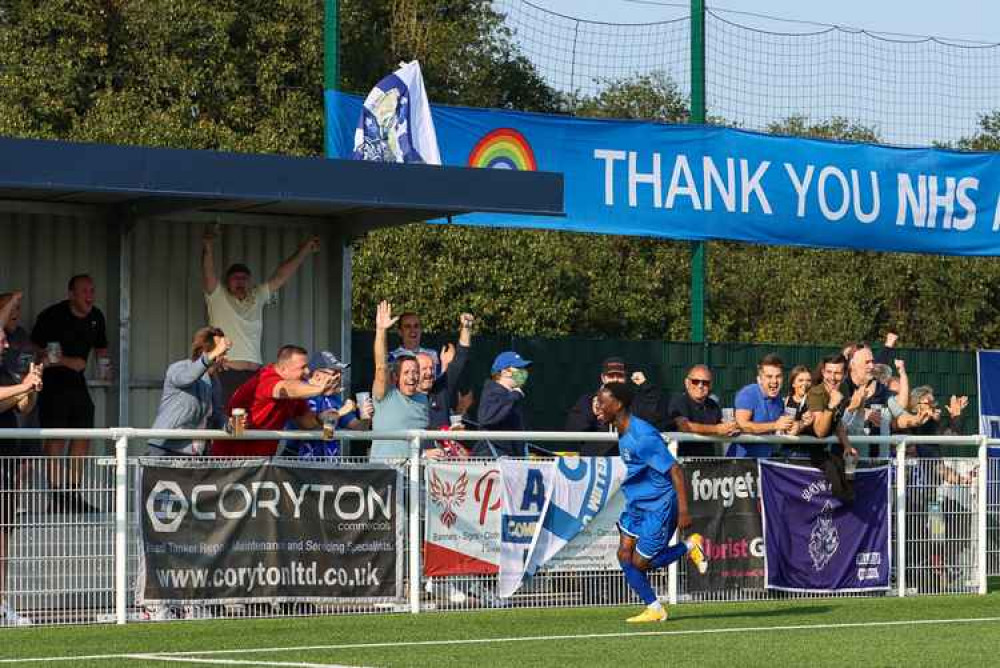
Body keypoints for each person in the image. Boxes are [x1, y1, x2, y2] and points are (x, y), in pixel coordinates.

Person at [595, 382, 707, 623]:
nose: (599, 407)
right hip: (637, 502)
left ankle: (690, 546)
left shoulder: (642, 436)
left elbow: (675, 469)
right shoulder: (621, 428)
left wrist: (684, 511)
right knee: (624, 555)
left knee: (641, 562)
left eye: (603, 402)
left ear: (619, 404)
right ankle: (655, 608)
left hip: (660, 505)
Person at [202, 227, 321, 406]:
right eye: (235, 279)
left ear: (250, 282)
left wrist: (304, 250)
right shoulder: (218, 297)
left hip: (255, 374)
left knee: (255, 420)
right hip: (227, 373)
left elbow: (281, 276)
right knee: (226, 420)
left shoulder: (256, 296)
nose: (240, 282)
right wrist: (208, 246)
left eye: (244, 278)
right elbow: (208, 274)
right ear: (227, 282)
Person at [30, 275, 109, 513]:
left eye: (92, 290)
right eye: (84, 291)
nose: (90, 296)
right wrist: (69, 361)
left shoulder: (96, 317)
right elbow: (37, 352)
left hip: (77, 383)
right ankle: (56, 496)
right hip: (51, 385)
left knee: (83, 435)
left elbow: (101, 349)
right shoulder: (52, 316)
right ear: (71, 295)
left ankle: (73, 494)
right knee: (56, 438)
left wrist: (105, 367)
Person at [213, 345, 334, 457]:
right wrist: (319, 388)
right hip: (231, 460)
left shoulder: (296, 390)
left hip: (262, 463)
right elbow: (285, 389)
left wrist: (321, 418)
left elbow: (306, 422)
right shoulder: (267, 378)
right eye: (302, 367)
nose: (307, 372)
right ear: (283, 369)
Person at [0, 312, 42, 626]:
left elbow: (21, 405)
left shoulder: (5, 369)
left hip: (5, 464)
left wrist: (32, 386)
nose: (5, 343)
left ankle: (1, 604)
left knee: (2, 535)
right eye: (0, 338)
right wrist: (22, 387)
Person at [146, 327, 231, 457]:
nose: (225, 357)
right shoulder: (179, 368)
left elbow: (216, 415)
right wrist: (211, 356)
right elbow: (186, 379)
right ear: (205, 351)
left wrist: (229, 424)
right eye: (222, 352)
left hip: (196, 454)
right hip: (165, 450)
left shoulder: (215, 382)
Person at [564, 357, 669, 455]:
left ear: (625, 378)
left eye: (619, 376)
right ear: (603, 378)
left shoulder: (634, 400)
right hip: (596, 464)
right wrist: (591, 413)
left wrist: (646, 386)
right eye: (611, 376)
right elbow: (572, 433)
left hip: (629, 461)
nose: (615, 379)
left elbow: (654, 417)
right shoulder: (588, 401)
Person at [795, 353, 861, 503]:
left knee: (845, 472)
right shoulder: (816, 392)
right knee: (840, 487)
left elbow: (836, 422)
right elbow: (819, 432)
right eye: (829, 372)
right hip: (803, 450)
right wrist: (831, 405)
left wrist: (847, 446)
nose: (832, 377)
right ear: (823, 372)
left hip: (824, 449)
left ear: (844, 374)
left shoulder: (842, 389)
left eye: (837, 373)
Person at [281, 351, 373, 459]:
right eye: (334, 374)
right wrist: (341, 412)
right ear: (317, 375)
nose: (338, 378)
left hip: (326, 465)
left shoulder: (334, 399)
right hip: (298, 464)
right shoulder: (302, 393)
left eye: (340, 374)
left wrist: (366, 416)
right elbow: (311, 427)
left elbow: (358, 428)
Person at [371, 301, 429, 459]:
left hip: (416, 477)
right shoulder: (385, 395)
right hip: (385, 473)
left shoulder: (423, 399)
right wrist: (381, 330)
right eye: (407, 372)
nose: (412, 376)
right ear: (395, 377)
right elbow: (381, 366)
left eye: (416, 372)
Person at [726, 354, 793, 458]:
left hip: (766, 464)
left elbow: (780, 429)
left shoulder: (779, 400)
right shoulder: (748, 393)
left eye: (778, 376)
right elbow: (742, 424)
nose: (774, 381)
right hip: (741, 464)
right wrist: (775, 425)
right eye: (769, 376)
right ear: (759, 379)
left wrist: (801, 424)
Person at [667, 364, 739, 457]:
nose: (700, 386)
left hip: (707, 463)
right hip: (680, 462)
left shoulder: (713, 405)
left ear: (711, 385)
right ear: (687, 383)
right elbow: (684, 426)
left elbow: (722, 426)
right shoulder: (678, 401)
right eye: (695, 381)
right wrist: (717, 429)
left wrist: (731, 428)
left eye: (705, 382)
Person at [476, 350, 532, 457]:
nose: (524, 372)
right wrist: (514, 395)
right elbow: (486, 418)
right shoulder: (492, 392)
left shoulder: (512, 396)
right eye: (519, 369)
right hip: (493, 461)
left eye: (524, 369)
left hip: (511, 462)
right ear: (504, 372)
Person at [389, 311, 441, 375]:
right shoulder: (393, 356)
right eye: (408, 326)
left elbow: (438, 380)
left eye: (416, 326)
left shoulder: (432, 354)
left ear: (421, 330)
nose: (412, 330)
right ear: (400, 332)